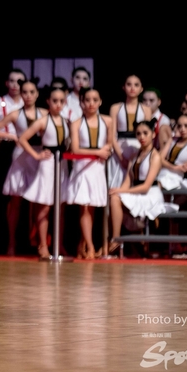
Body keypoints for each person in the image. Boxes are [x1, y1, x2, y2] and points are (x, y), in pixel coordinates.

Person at [0, 78, 47, 256]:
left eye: (32, 92)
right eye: (25, 92)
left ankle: (39, 244)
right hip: (21, 157)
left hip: (38, 156)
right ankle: (11, 244)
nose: (28, 95)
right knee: (15, 203)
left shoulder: (44, 113)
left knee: (39, 202)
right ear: (21, 94)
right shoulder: (15, 114)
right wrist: (13, 136)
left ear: (37, 94)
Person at [108, 119, 175, 255]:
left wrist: (122, 191)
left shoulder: (155, 156)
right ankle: (115, 238)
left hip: (150, 194)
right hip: (136, 192)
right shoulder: (134, 155)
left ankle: (117, 239)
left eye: (145, 133)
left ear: (153, 134)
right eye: (138, 134)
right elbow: (128, 180)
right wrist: (120, 190)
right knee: (113, 197)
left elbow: (146, 186)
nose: (141, 137)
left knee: (116, 196)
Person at [20, 87, 70, 260]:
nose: (58, 104)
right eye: (55, 101)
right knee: (45, 206)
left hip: (62, 163)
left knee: (60, 206)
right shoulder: (42, 121)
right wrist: (37, 155)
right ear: (48, 101)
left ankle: (59, 244)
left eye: (61, 101)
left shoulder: (67, 121)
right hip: (48, 164)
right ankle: (42, 244)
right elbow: (22, 138)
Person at [0, 68, 26, 255]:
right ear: (7, 83)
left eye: (20, 81)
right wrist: (6, 137)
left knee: (21, 197)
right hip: (3, 149)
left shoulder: (27, 103)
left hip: (23, 151)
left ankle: (21, 243)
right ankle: (0, 243)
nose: (16, 85)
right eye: (12, 81)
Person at [66, 88, 113, 259]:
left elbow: (110, 142)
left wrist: (104, 150)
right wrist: (98, 152)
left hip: (97, 167)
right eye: (87, 100)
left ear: (100, 102)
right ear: (81, 103)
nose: (91, 103)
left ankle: (82, 244)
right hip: (82, 167)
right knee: (84, 207)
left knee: (90, 208)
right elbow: (75, 148)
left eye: (95, 100)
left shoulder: (107, 121)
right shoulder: (76, 123)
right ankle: (91, 246)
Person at [108, 74, 152, 189]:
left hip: (139, 147)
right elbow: (111, 135)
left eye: (136, 85)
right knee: (116, 183)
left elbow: (148, 134)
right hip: (119, 148)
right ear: (123, 87)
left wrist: (143, 154)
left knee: (136, 182)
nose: (132, 88)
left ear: (141, 89)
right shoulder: (115, 108)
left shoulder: (146, 109)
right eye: (129, 84)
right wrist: (121, 156)